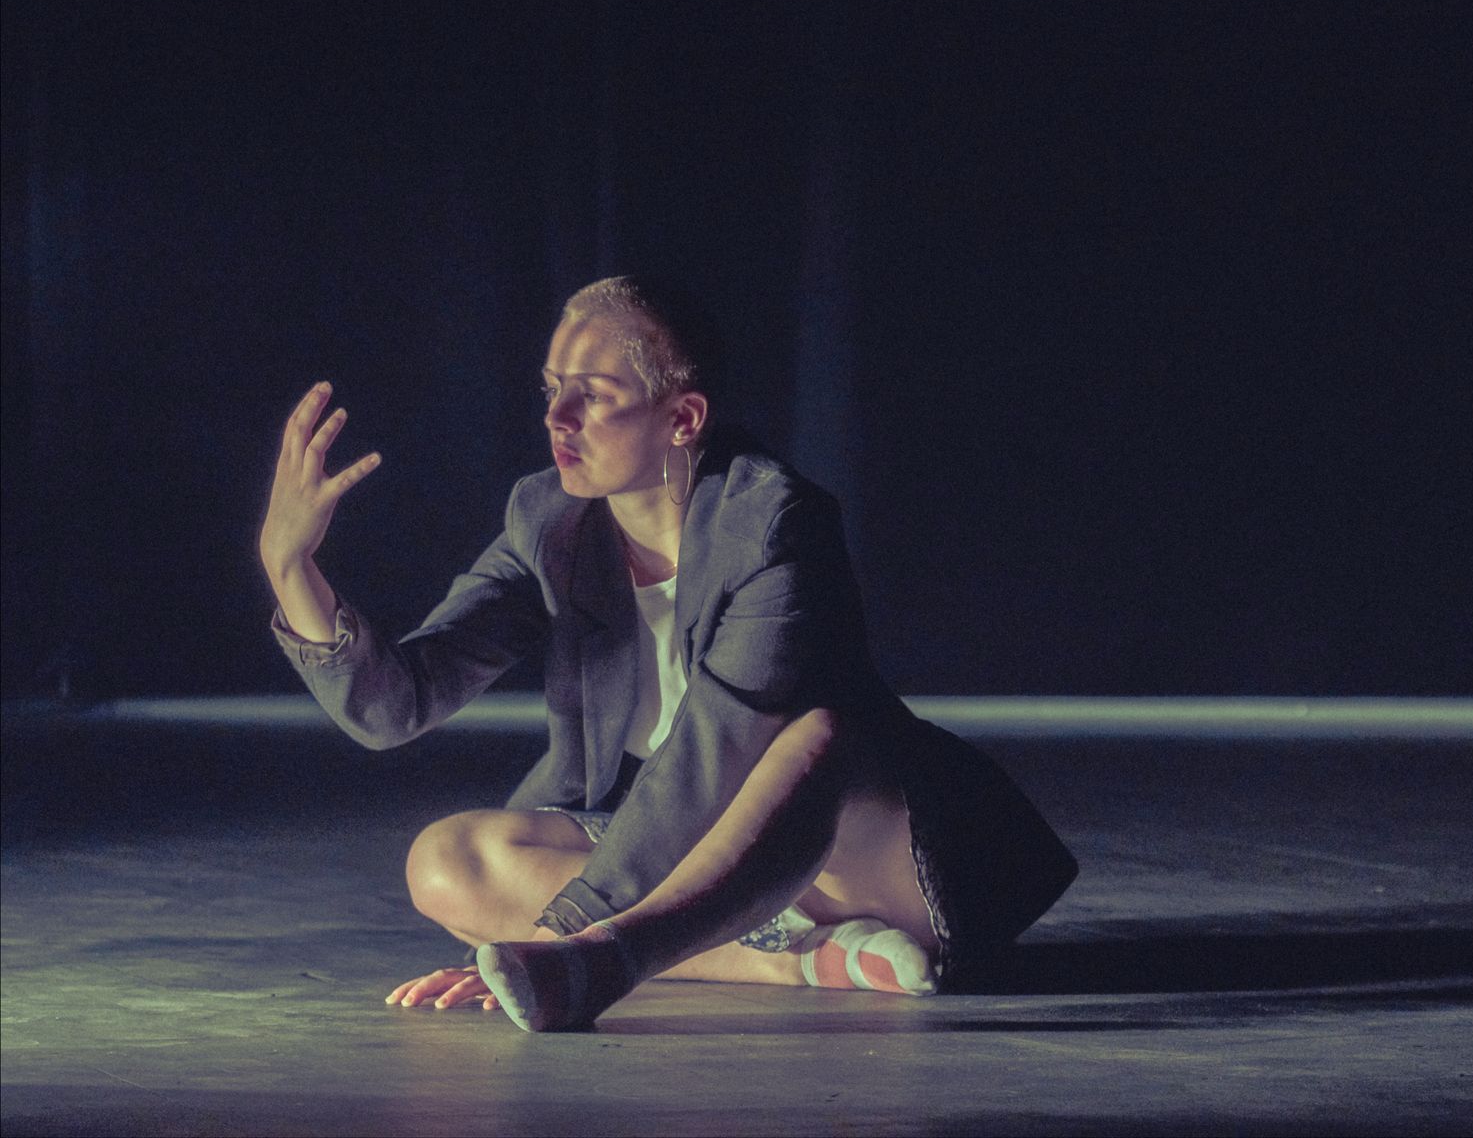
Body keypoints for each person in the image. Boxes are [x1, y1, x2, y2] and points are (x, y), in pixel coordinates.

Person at [261, 277, 1076, 1032]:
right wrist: (291, 568)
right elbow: (395, 704)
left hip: (868, 855)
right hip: (676, 860)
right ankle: (808, 963)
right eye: (552, 389)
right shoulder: (549, 521)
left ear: (682, 419)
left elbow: (709, 760)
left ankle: (613, 960)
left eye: (594, 395)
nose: (557, 417)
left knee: (814, 738)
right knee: (443, 861)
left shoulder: (773, 523)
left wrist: (557, 937)